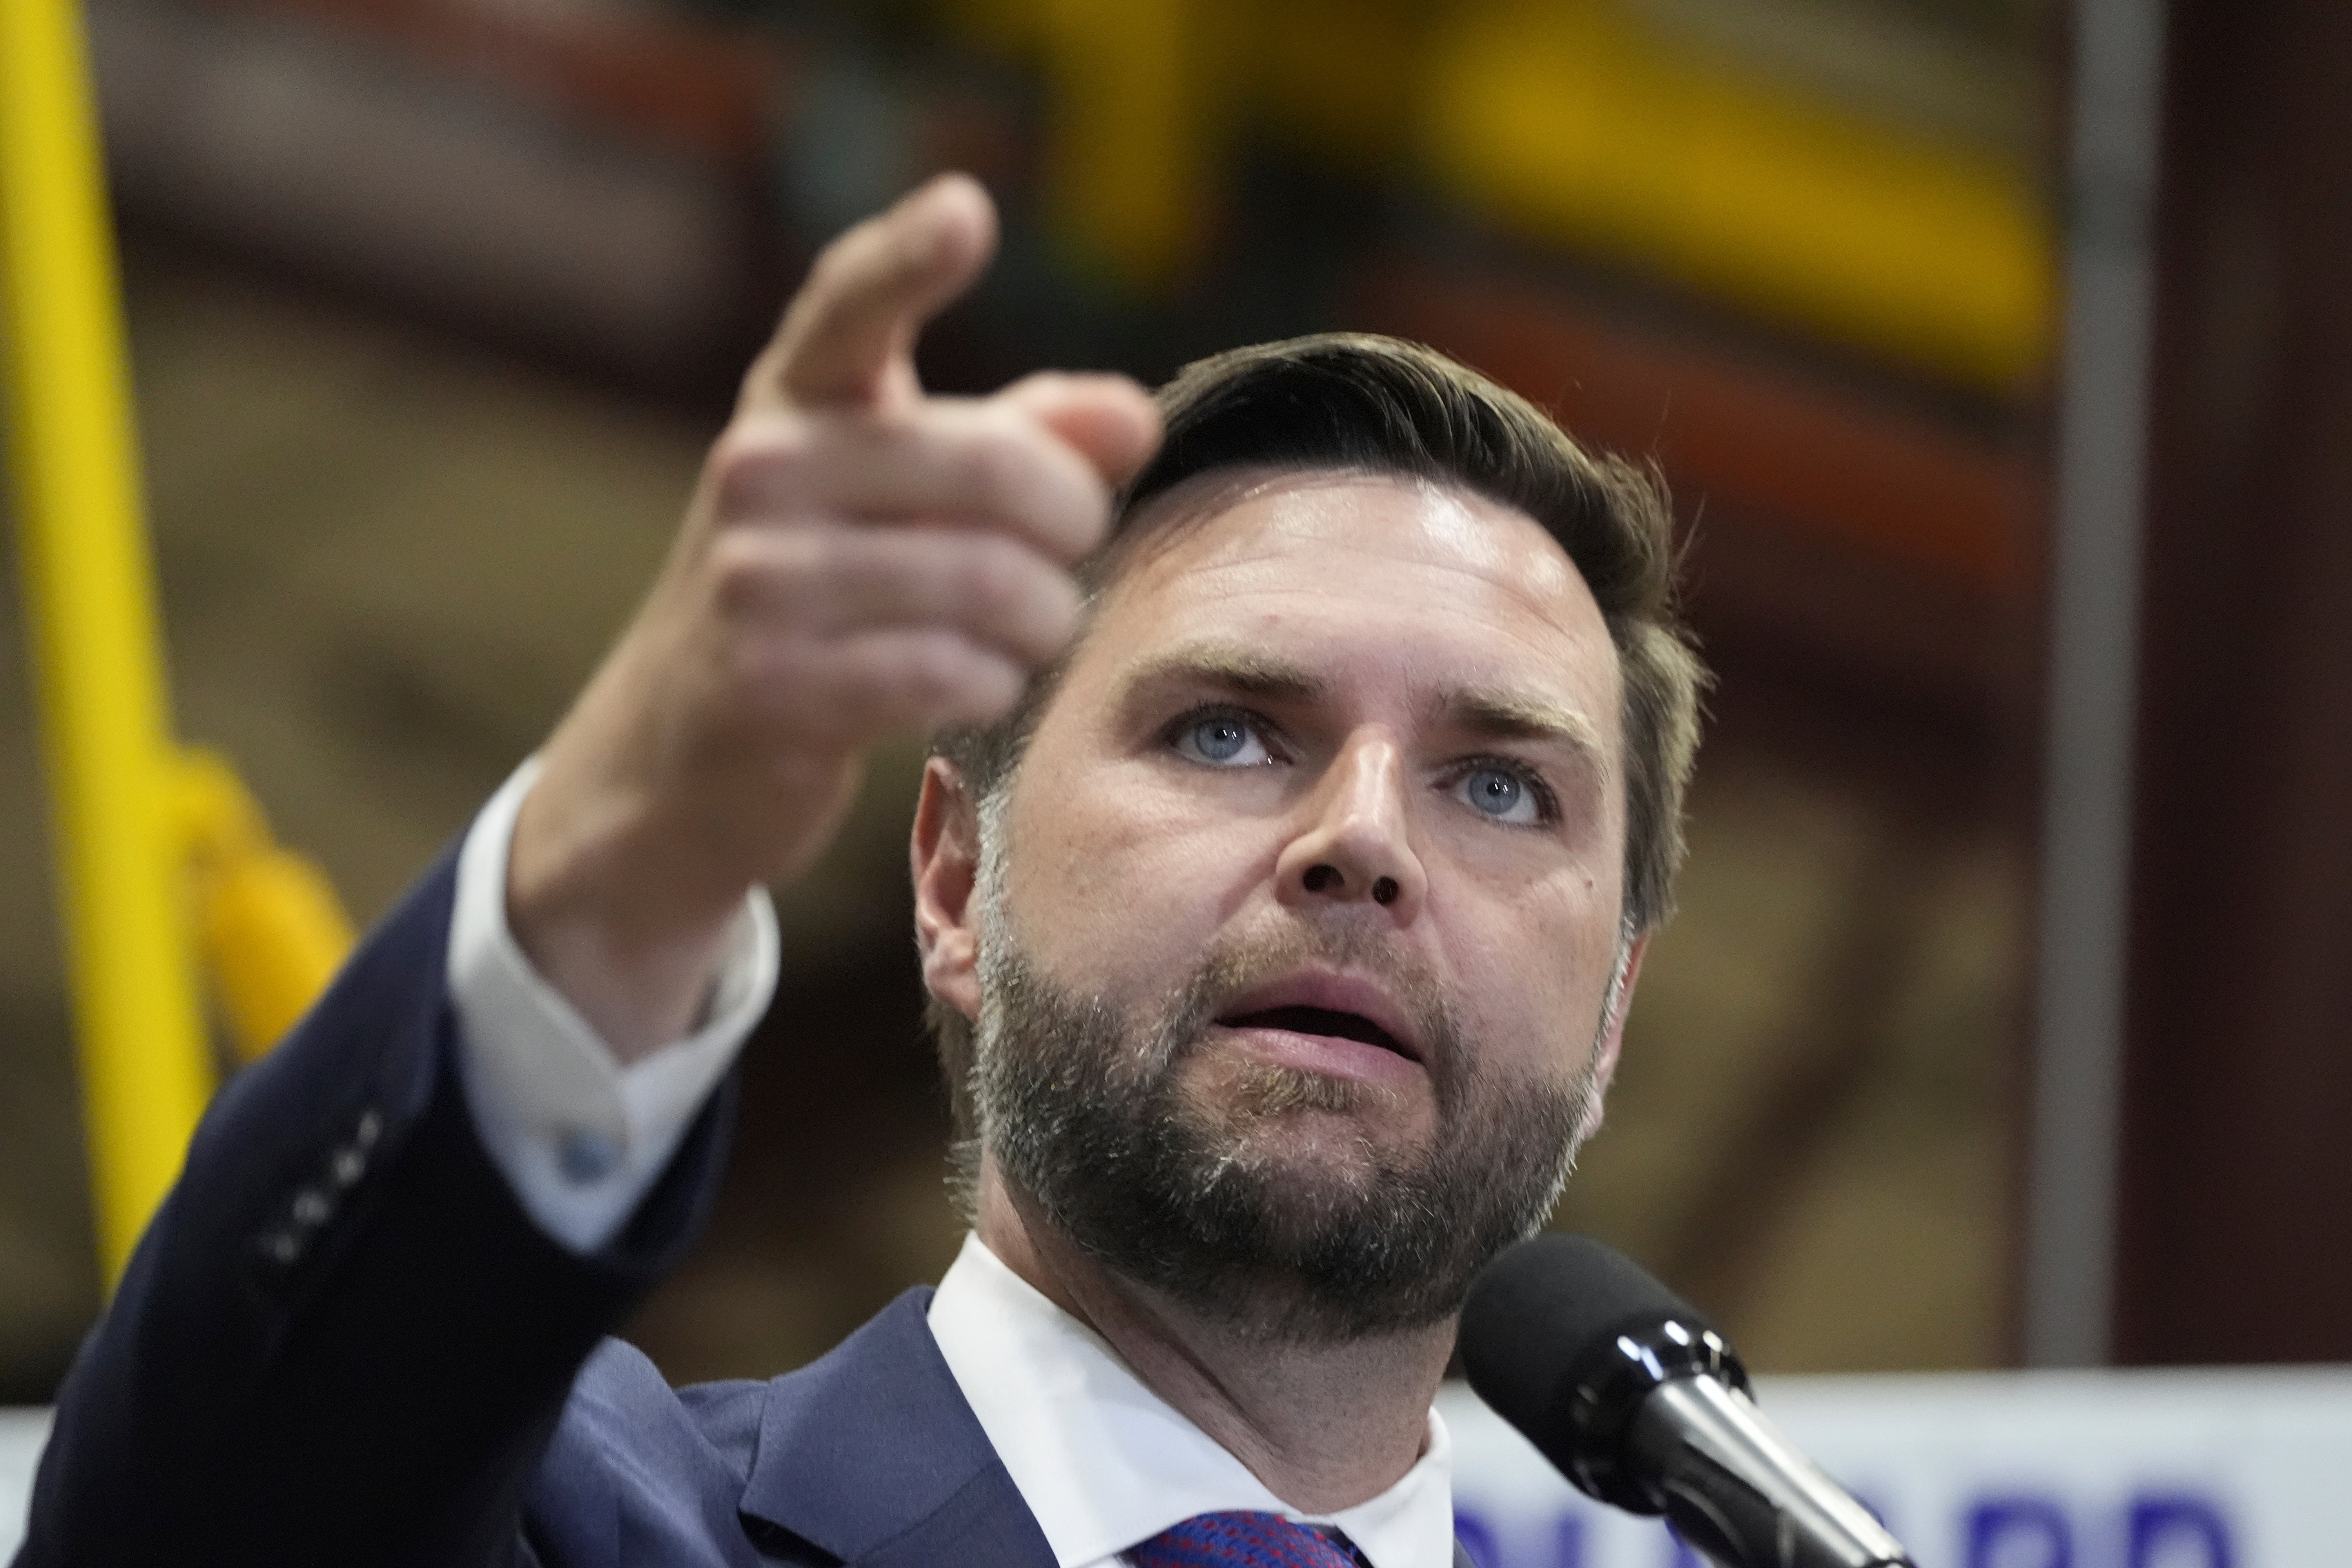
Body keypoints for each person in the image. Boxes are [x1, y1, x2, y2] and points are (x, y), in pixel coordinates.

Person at [16, 174, 1703, 1568]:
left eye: (1498, 783)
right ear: (959, 882)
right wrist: (626, 849)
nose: (1366, 837)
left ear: (1615, 1003)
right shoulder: (574, 1526)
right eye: (1225, 732)